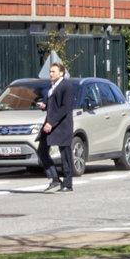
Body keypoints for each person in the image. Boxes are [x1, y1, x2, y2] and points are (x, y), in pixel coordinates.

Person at [42, 58, 79, 191]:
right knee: (41, 150)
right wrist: (44, 105)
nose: (51, 74)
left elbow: (65, 108)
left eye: (53, 71)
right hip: (50, 123)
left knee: (65, 153)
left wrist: (51, 122)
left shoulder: (66, 86)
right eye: (50, 71)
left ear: (61, 73)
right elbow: (53, 104)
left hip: (62, 125)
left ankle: (68, 184)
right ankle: (54, 178)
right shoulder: (52, 86)